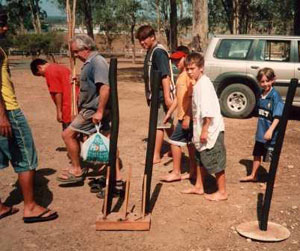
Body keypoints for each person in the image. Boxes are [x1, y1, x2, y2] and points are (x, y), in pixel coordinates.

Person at [0, 8, 58, 222]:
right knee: (26, 156)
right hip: (8, 111)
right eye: (1, 23)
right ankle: (31, 207)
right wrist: (3, 116)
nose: (5, 27)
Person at [57, 34, 123, 191]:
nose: (75, 55)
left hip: (92, 110)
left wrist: (100, 111)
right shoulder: (90, 62)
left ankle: (77, 169)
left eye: (76, 52)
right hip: (91, 109)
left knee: (68, 135)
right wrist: (80, 80)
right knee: (107, 141)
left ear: (86, 49)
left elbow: (105, 87)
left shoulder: (97, 61)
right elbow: (94, 83)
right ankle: (117, 179)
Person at [184, 52, 228, 201]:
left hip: (210, 130)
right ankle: (199, 186)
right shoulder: (198, 84)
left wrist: (204, 130)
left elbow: (208, 110)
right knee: (200, 158)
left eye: (192, 68)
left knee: (215, 159)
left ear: (201, 68)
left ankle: (222, 192)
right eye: (187, 69)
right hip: (200, 128)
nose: (190, 72)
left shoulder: (204, 84)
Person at [136, 25, 175, 164]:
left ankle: (155, 155)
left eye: (144, 39)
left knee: (158, 125)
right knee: (166, 123)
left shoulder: (158, 52)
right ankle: (175, 147)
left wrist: (166, 97)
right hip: (155, 95)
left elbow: (165, 75)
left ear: (152, 37)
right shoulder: (151, 51)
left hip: (161, 96)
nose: (142, 42)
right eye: (140, 40)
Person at [240, 68, 284, 182]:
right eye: (262, 82)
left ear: (273, 80)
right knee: (257, 153)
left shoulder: (275, 96)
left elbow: (278, 116)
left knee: (271, 157)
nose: (264, 84)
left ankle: (272, 180)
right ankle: (253, 175)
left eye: (267, 81)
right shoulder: (261, 94)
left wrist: (270, 130)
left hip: (271, 134)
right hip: (261, 133)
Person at [160, 46, 196, 182]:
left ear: (186, 57)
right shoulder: (181, 76)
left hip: (187, 117)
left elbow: (192, 96)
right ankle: (193, 172)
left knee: (174, 142)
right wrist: (169, 112)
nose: (176, 63)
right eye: (174, 61)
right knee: (190, 145)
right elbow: (178, 98)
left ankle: (176, 172)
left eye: (178, 60)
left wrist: (187, 116)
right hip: (183, 116)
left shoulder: (188, 75)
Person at [30, 59, 79, 130]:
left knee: (68, 134)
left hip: (68, 106)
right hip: (76, 102)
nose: (43, 76)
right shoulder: (60, 67)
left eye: (40, 74)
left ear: (39, 67)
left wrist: (59, 111)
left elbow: (57, 92)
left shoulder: (49, 71)